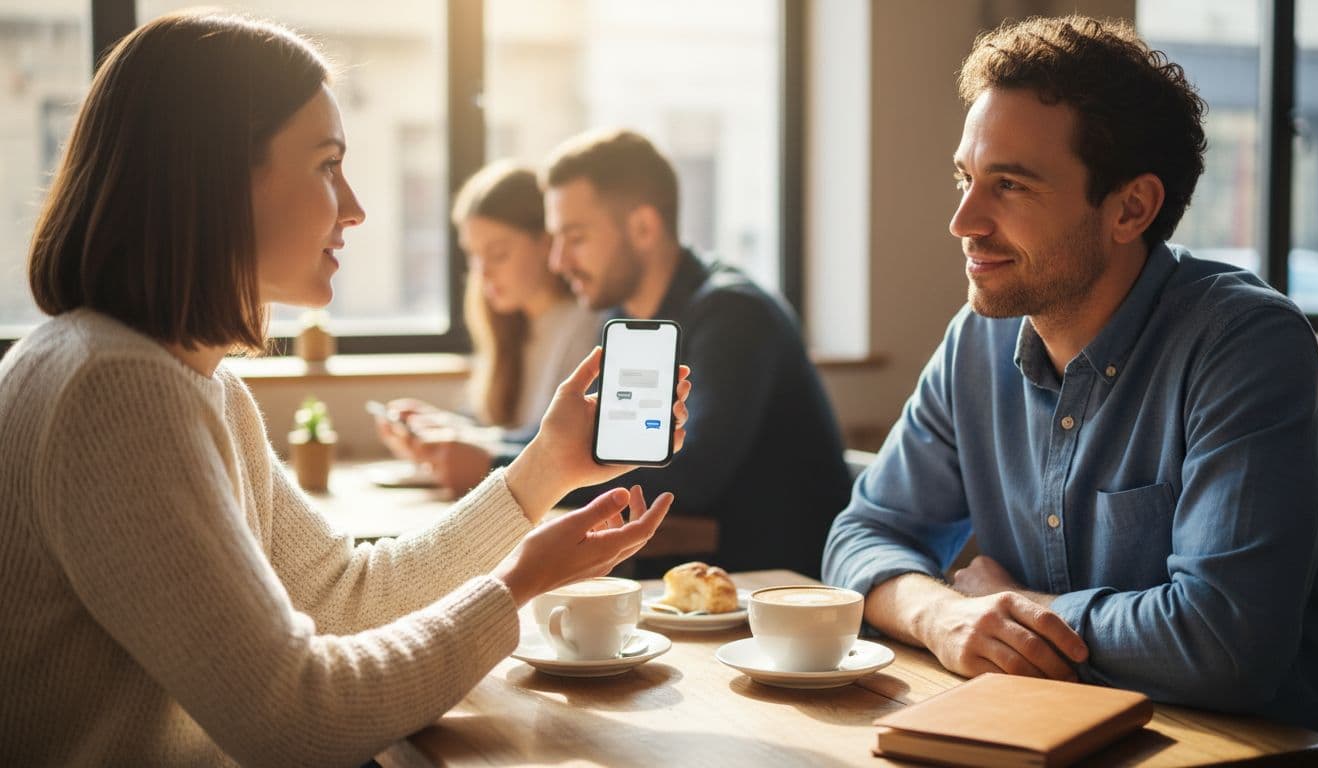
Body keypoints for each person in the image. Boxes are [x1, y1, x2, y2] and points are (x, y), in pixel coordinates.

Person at [0, 12, 690, 765]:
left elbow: (342, 595)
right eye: (327, 164)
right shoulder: (117, 390)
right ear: (218, 178)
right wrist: (519, 582)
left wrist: (542, 471)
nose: (355, 206)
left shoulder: (196, 384)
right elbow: (294, 718)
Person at [822, 15, 1318, 737]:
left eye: (1008, 185)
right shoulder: (978, 340)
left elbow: (1227, 643)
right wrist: (943, 613)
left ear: (1131, 208)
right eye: (966, 178)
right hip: (1044, 737)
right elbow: (861, 534)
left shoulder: (1244, 343)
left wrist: (1021, 609)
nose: (963, 220)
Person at [543, 129, 852, 577]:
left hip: (774, 593)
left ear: (644, 227)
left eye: (575, 238)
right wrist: (490, 452)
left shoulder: (734, 315)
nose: (558, 261)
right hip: (693, 578)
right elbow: (600, 439)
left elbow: (689, 478)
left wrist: (518, 471)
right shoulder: (624, 316)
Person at [374, 161, 602, 493]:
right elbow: (506, 434)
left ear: (545, 244)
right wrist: (441, 431)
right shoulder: (511, 329)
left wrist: (464, 444)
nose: (482, 273)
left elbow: (549, 448)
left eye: (497, 254)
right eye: (473, 257)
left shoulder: (584, 327)